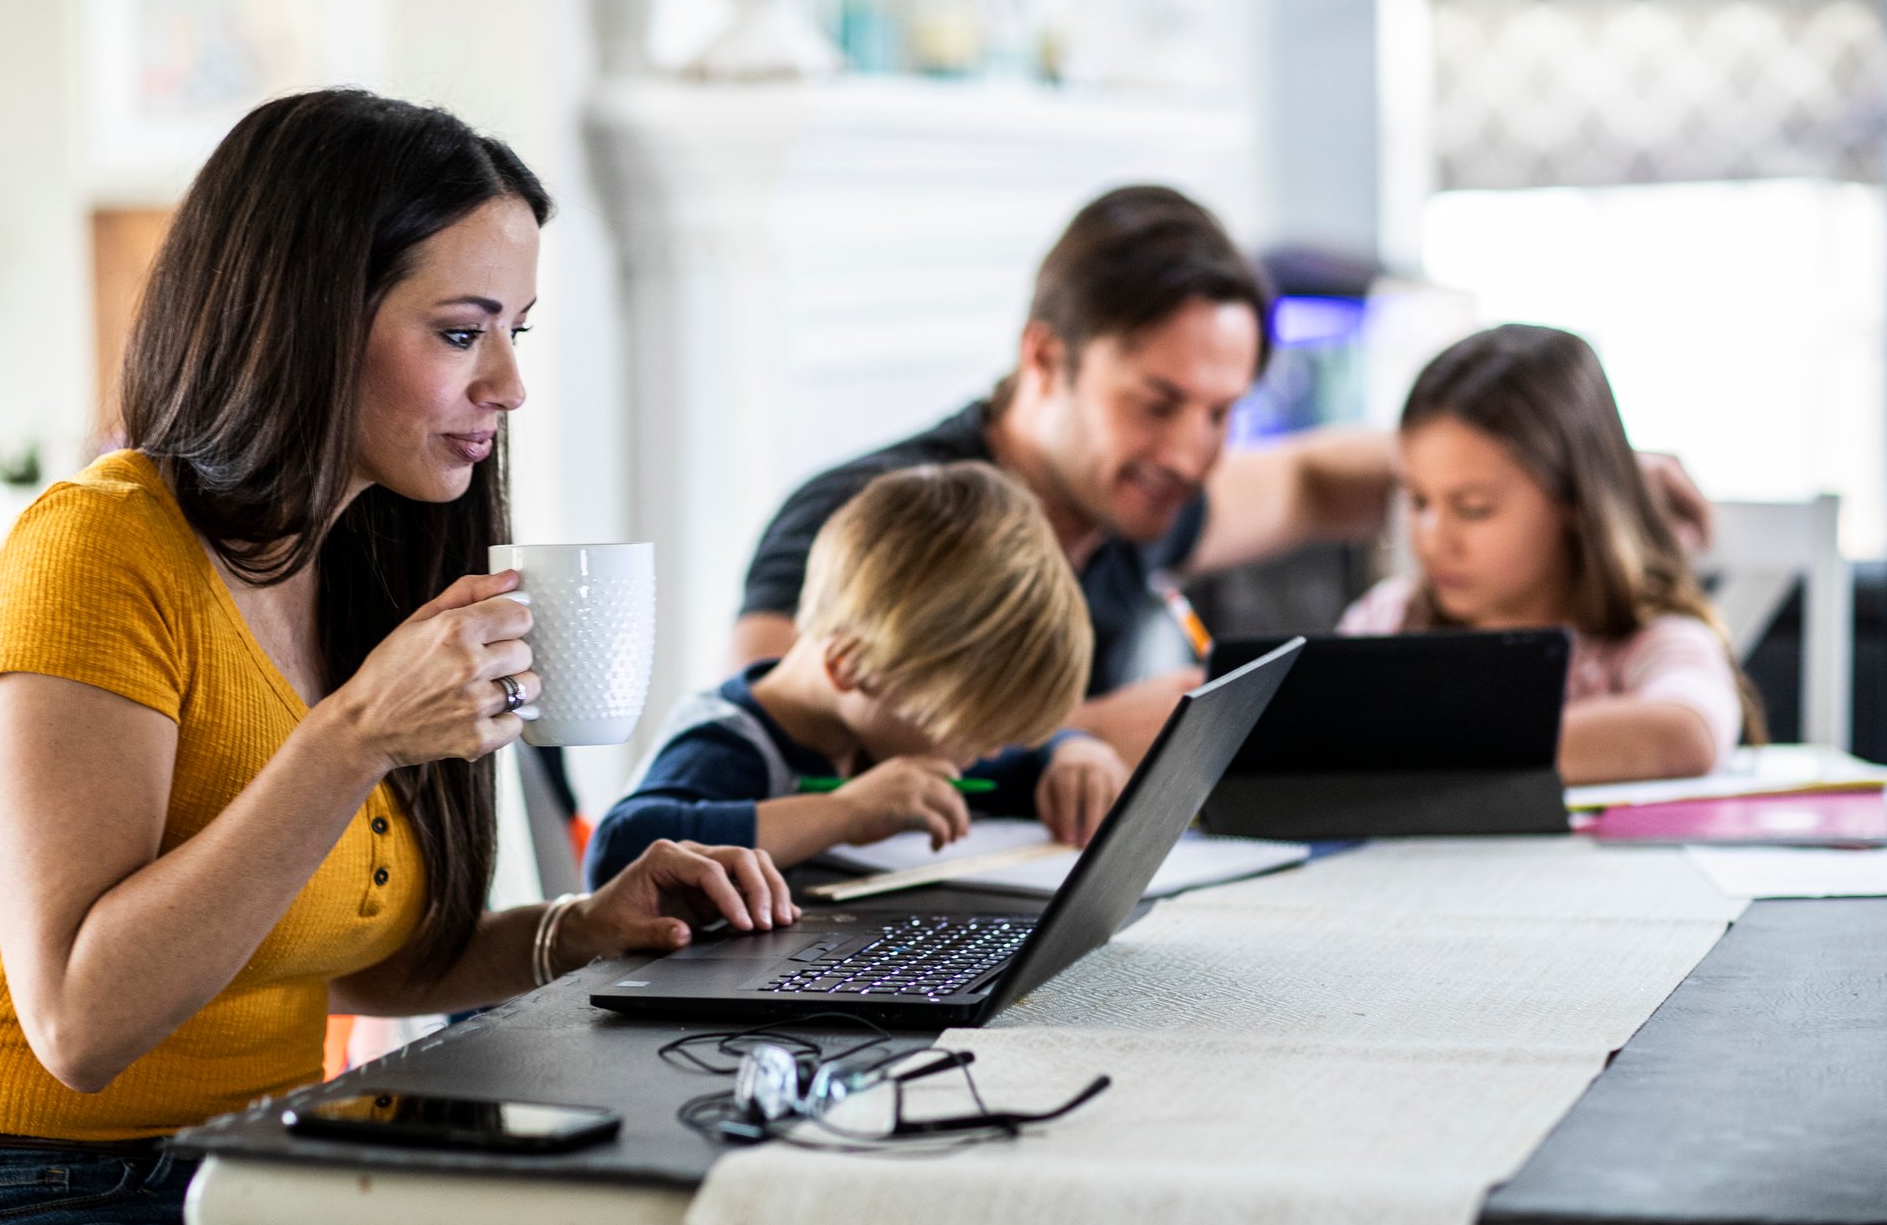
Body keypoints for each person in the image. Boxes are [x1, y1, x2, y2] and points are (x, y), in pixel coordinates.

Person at [0, 90, 795, 1225]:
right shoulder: (100, 550)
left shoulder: (363, 574)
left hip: (242, 1183)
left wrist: (581, 930)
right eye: (460, 332)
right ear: (309, 321)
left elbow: (349, 955)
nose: (508, 384)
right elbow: (78, 1016)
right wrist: (357, 736)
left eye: (516, 332)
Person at [731, 186, 1714, 764]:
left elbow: (1325, 476)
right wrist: (1096, 731)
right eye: (1158, 401)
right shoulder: (864, 523)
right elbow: (784, 752)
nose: (1197, 452)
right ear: (1044, 360)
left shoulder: (1139, 499)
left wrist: (1582, 467)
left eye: (1223, 410)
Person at [587, 462, 1126, 888]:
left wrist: (1071, 753)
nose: (988, 756)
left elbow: (1013, 768)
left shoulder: (878, 727)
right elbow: (618, 850)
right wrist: (843, 812)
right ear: (852, 666)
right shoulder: (727, 743)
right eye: (978, 735)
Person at [1338, 324, 1755, 785]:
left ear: (1573, 500)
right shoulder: (1388, 619)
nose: (1432, 539)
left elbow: (1687, 734)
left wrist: (1420, 743)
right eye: (1418, 501)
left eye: (1474, 509)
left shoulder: (1647, 644)